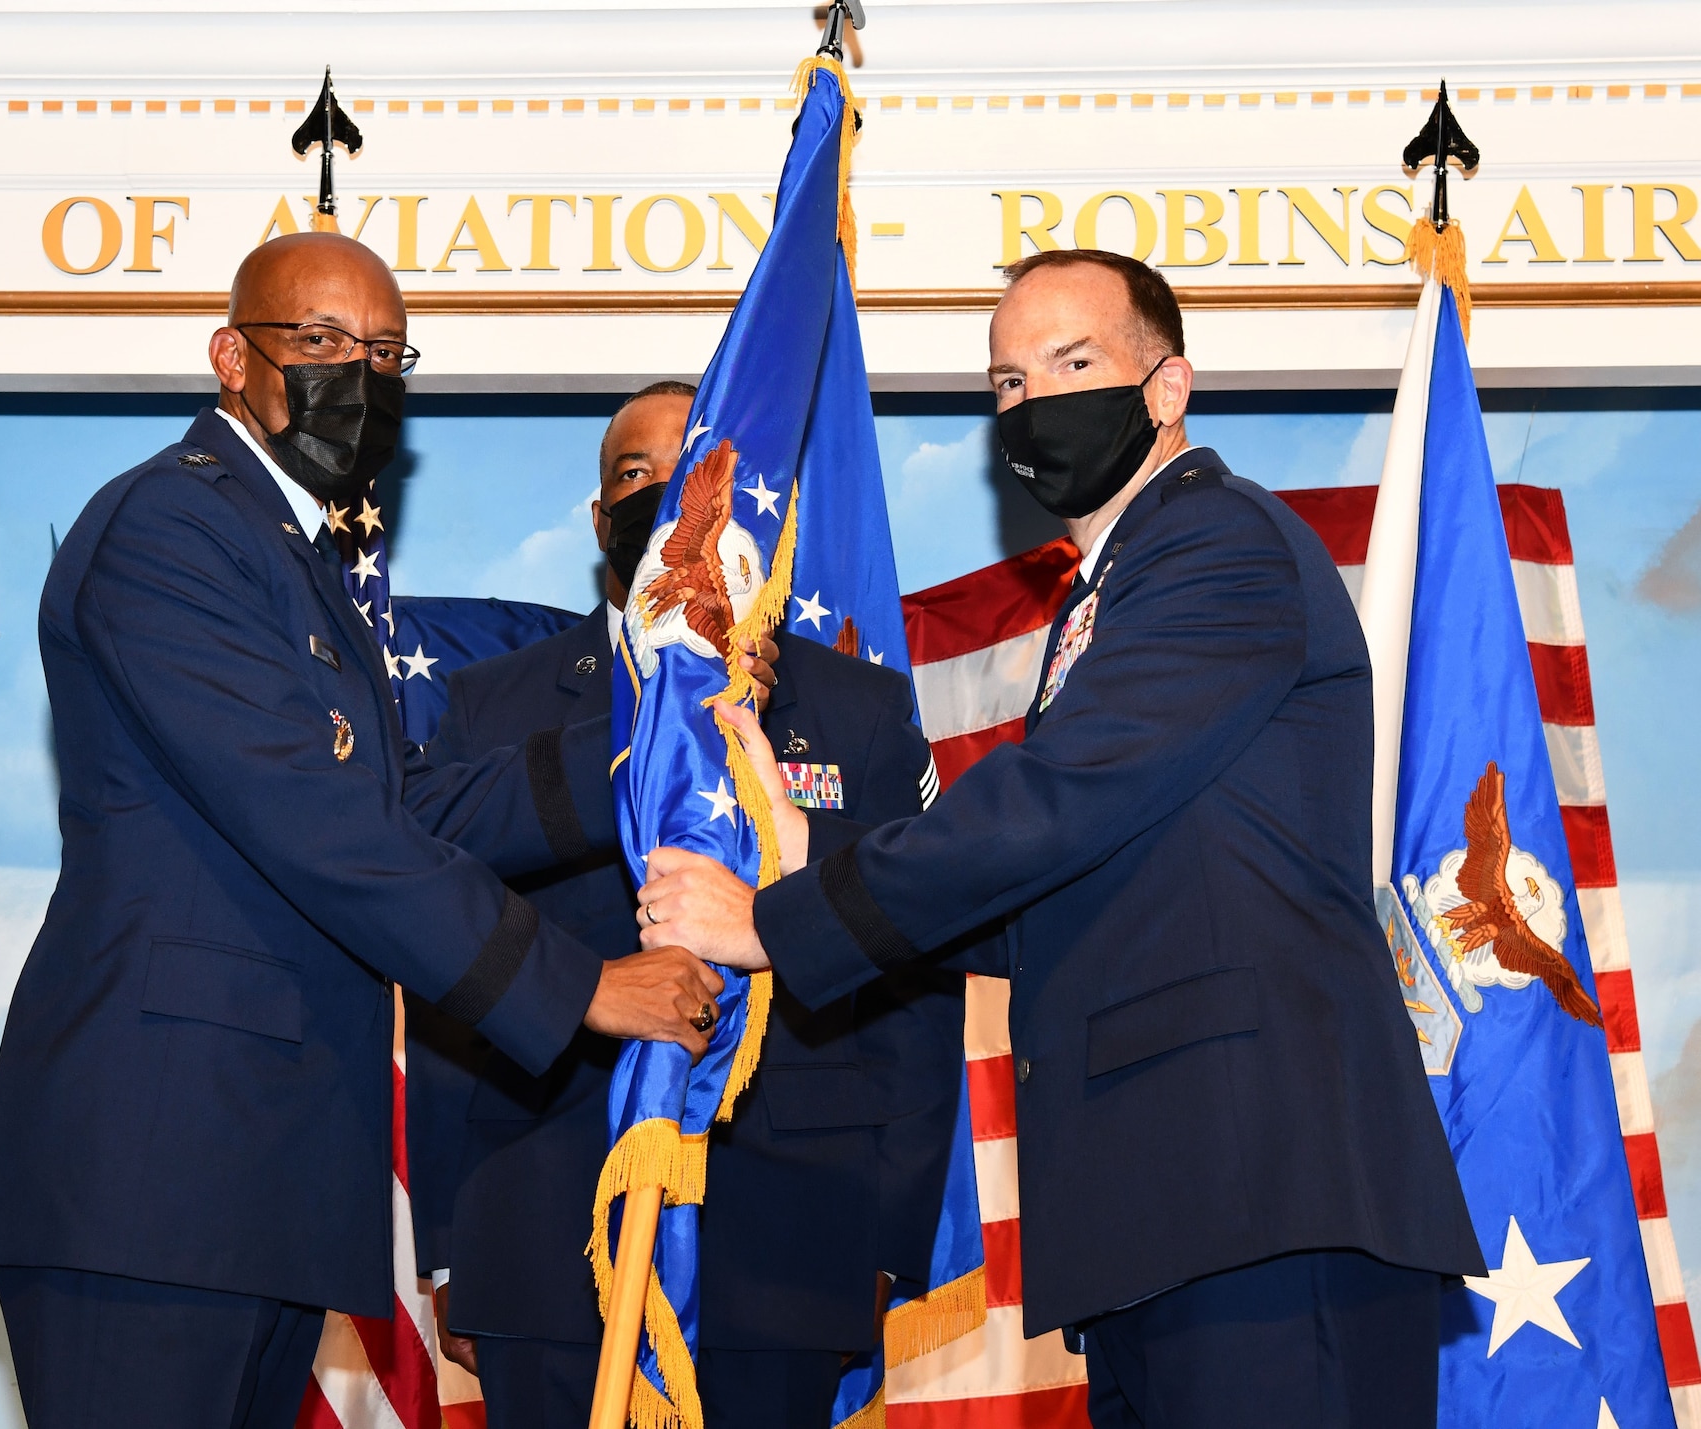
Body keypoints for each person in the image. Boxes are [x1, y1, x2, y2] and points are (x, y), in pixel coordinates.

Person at [635, 250, 1487, 1429]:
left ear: (1167, 386)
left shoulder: (1219, 546)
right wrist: (813, 867)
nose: (1032, 400)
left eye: (1071, 361)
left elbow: (1060, 800)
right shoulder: (1110, 589)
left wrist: (778, 920)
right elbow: (1070, 885)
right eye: (1004, 381)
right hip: (1168, 1216)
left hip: (1264, 1199)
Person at [0, 234, 736, 1429]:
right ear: (231, 357)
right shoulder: (169, 529)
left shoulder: (299, 562)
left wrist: (661, 730)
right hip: (155, 1162)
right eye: (317, 341)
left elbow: (400, 807)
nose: (354, 376)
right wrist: (580, 987)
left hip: (256, 1170)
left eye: (382, 352)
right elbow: (315, 822)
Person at [404, 381, 968, 1429]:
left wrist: (888, 1234)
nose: (665, 496)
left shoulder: (856, 708)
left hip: (792, 1234)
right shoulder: (495, 706)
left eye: (692, 473)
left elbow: (913, 984)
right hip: (541, 1228)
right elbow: (447, 977)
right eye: (634, 475)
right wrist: (449, 1232)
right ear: (595, 516)